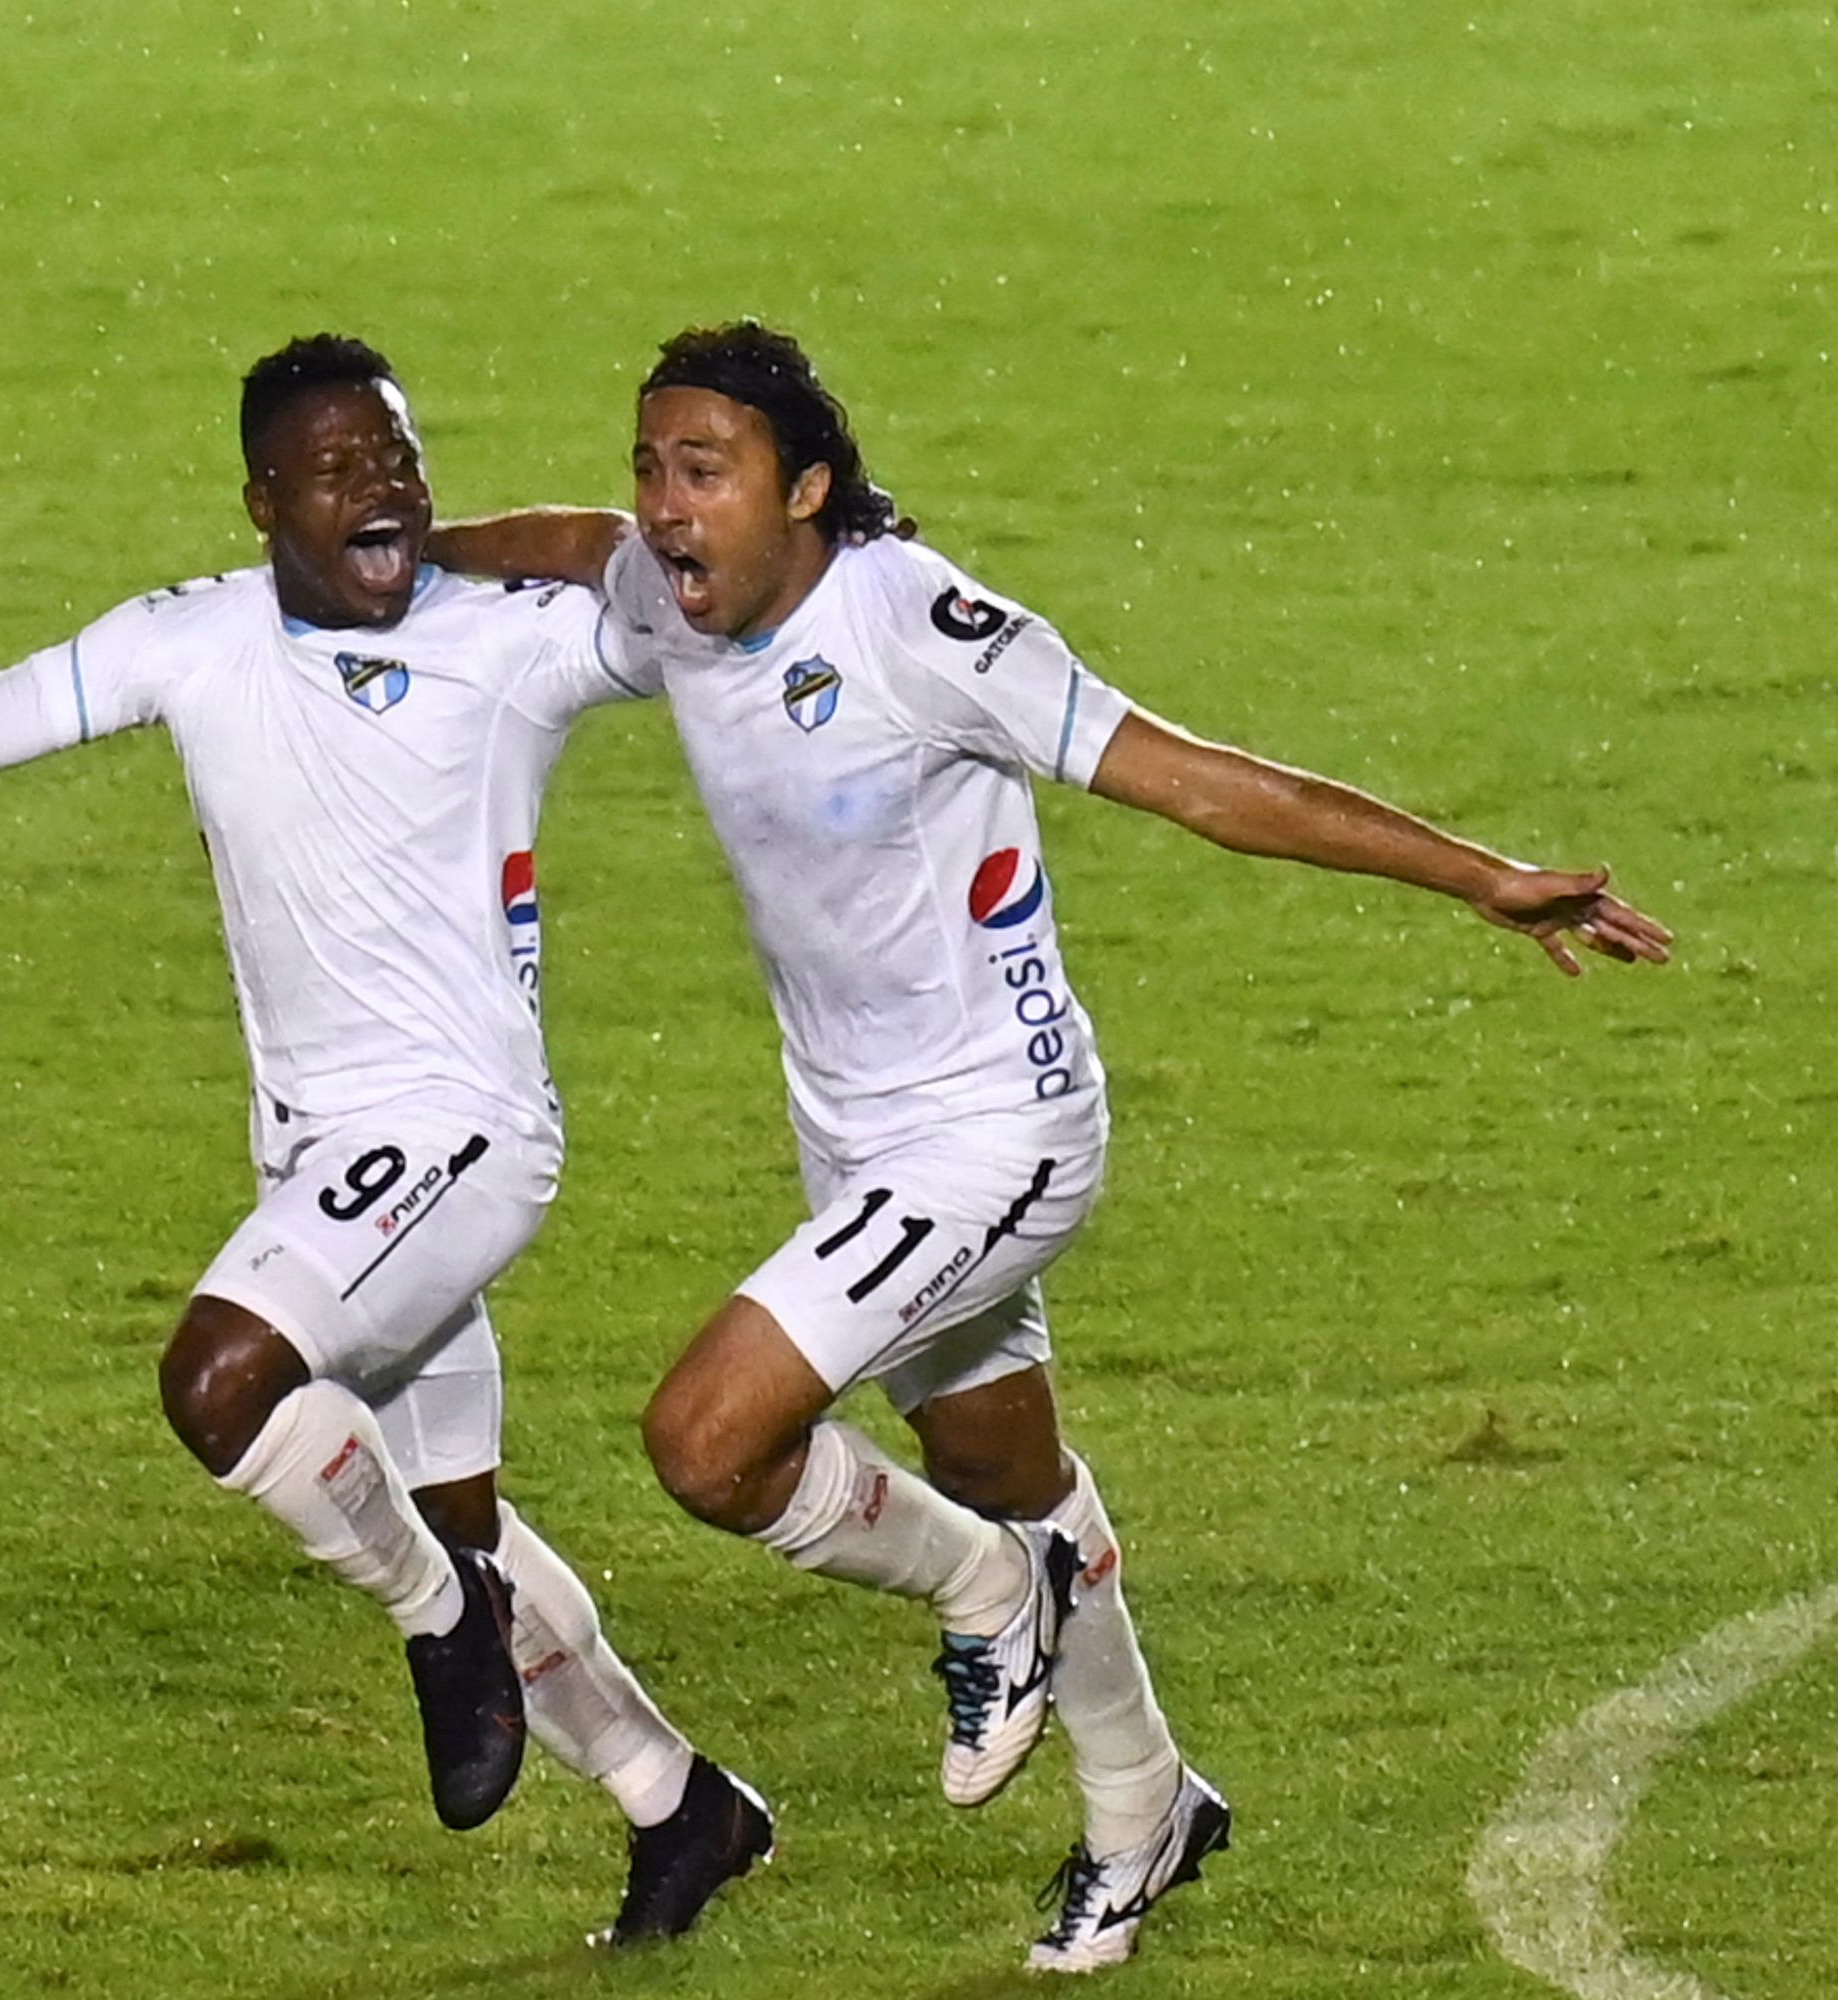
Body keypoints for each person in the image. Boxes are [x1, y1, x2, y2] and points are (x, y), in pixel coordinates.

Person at [428, 320, 1672, 1972]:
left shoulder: (923, 628)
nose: (663, 505)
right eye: (652, 464)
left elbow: (1203, 784)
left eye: (704, 471)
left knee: (709, 1445)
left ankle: (984, 1598)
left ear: (806, 488)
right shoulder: (669, 586)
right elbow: (571, 552)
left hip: (995, 1134)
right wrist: (388, 552)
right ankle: (1144, 1803)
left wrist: (1481, 876)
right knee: (1006, 1475)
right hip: (857, 1138)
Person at [0, 335, 770, 1943]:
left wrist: (822, 547)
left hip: (461, 1135)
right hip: (321, 1159)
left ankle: (446, 1626)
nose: (379, 489)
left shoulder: (514, 644)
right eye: (336, 469)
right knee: (460, 1520)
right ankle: (679, 1803)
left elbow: (689, 597)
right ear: (262, 506)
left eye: (398, 460)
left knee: (223, 1384)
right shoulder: (194, 639)